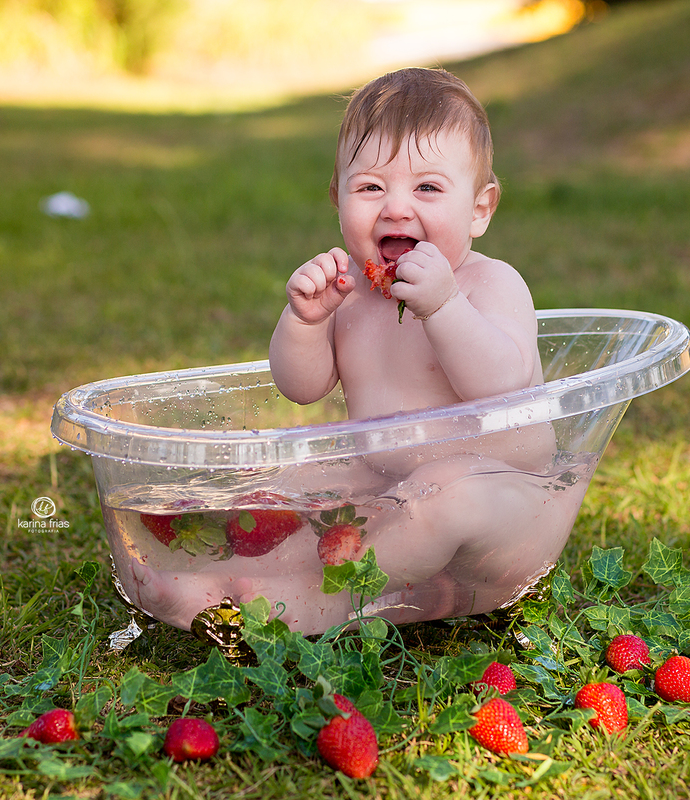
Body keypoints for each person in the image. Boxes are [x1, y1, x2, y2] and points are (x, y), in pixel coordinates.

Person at [124, 68, 587, 634]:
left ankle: (302, 603)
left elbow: (502, 383)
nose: (395, 208)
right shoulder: (351, 296)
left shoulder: (490, 286)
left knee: (446, 492)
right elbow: (300, 387)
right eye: (370, 187)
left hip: (506, 507)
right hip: (387, 491)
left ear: (480, 209)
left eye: (428, 188)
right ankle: (229, 576)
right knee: (299, 483)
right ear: (337, 198)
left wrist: (443, 308)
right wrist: (305, 321)